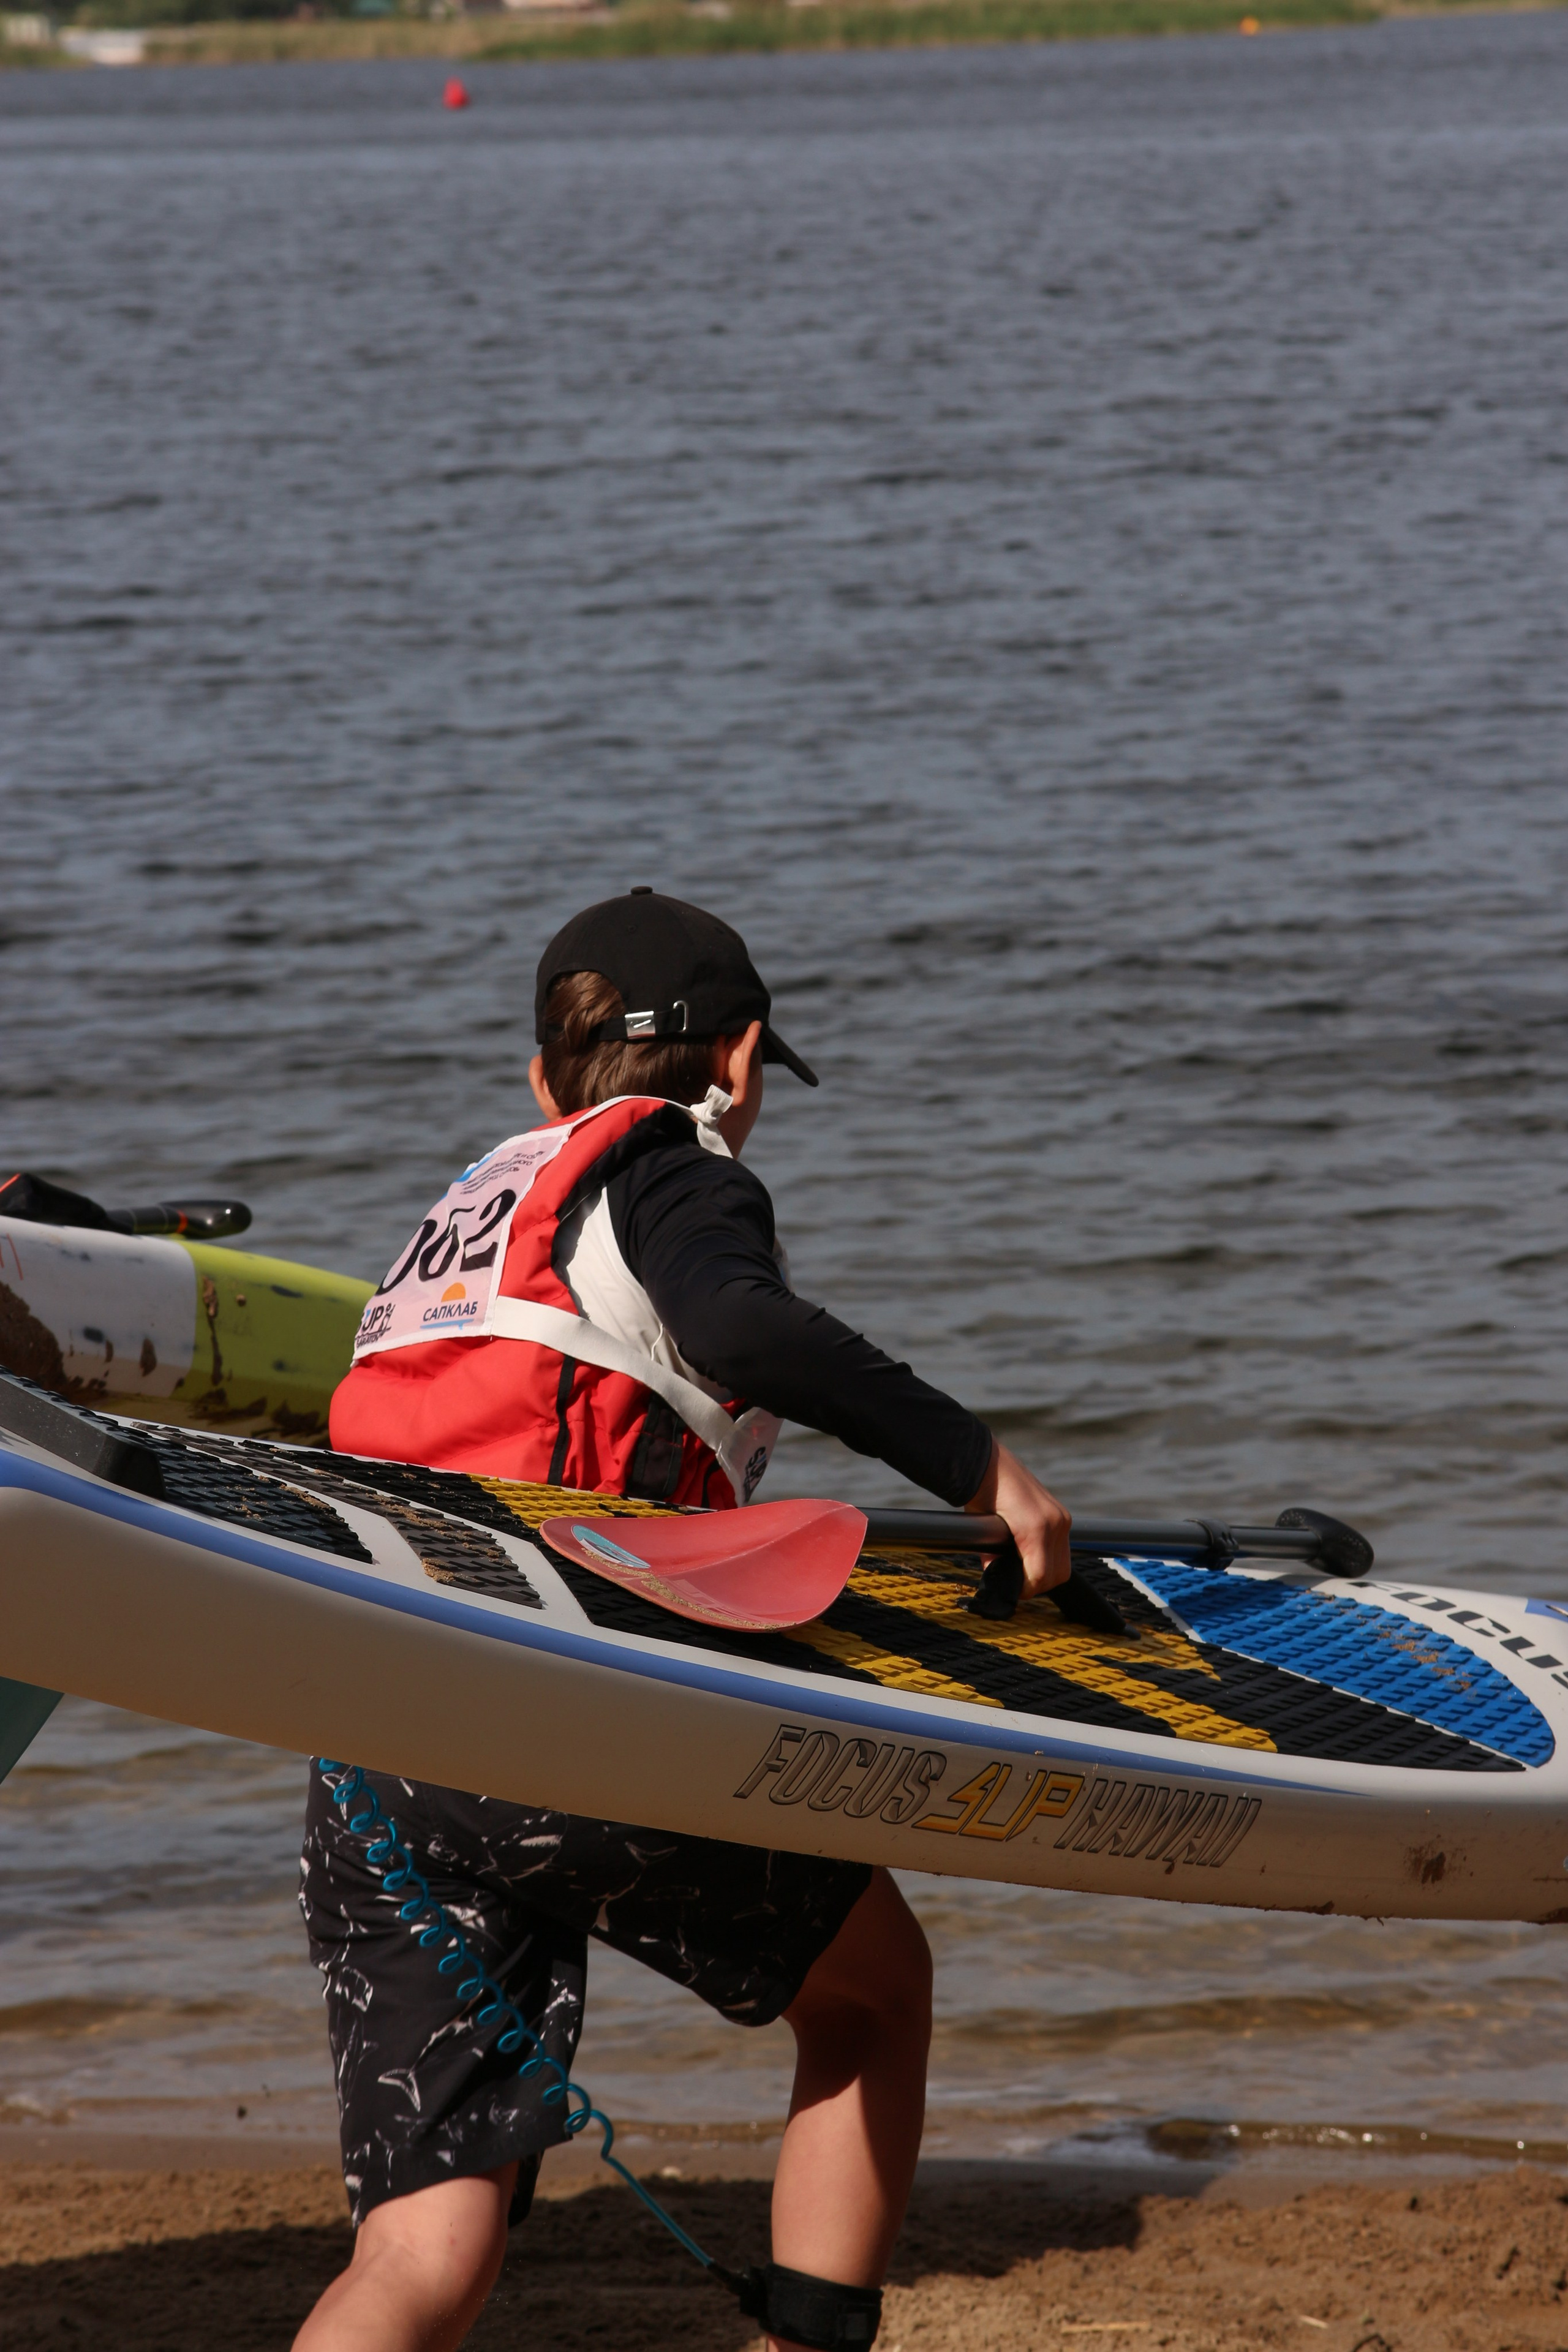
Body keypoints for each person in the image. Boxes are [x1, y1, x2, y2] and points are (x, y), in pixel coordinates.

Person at [294, 889, 1070, 2352]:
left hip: (374, 1740)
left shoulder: (461, 1216)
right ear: (740, 1056)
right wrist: (983, 1468)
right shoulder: (674, 1161)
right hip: (569, 1699)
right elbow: (742, 1329)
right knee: (870, 1999)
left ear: (540, 1079)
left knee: (423, 2245)